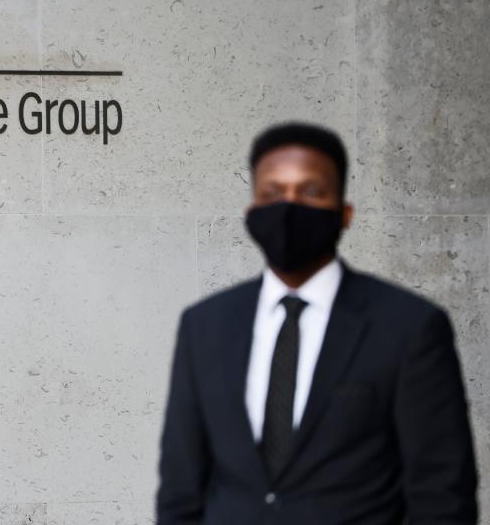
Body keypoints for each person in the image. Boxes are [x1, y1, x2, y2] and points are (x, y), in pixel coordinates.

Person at [155, 121, 478, 524]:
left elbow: (442, 495)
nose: (288, 206)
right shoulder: (204, 326)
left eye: (310, 191)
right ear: (252, 211)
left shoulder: (409, 327)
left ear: (344, 213)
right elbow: (180, 492)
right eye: (272, 193)